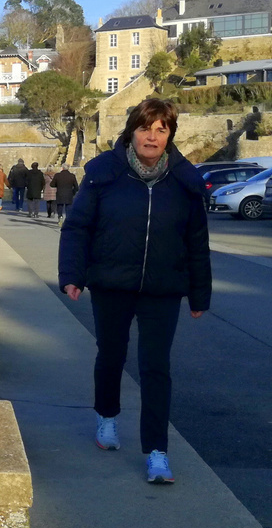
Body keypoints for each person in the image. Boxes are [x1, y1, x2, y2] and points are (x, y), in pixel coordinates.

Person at [59, 97, 211, 485]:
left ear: (170, 136)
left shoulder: (184, 180)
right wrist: (72, 274)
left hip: (162, 287)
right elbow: (78, 227)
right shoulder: (103, 172)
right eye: (146, 128)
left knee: (156, 366)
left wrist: (199, 293)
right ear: (132, 132)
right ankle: (107, 418)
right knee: (111, 355)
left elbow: (196, 239)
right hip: (112, 282)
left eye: (162, 130)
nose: (153, 136)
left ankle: (157, 452)